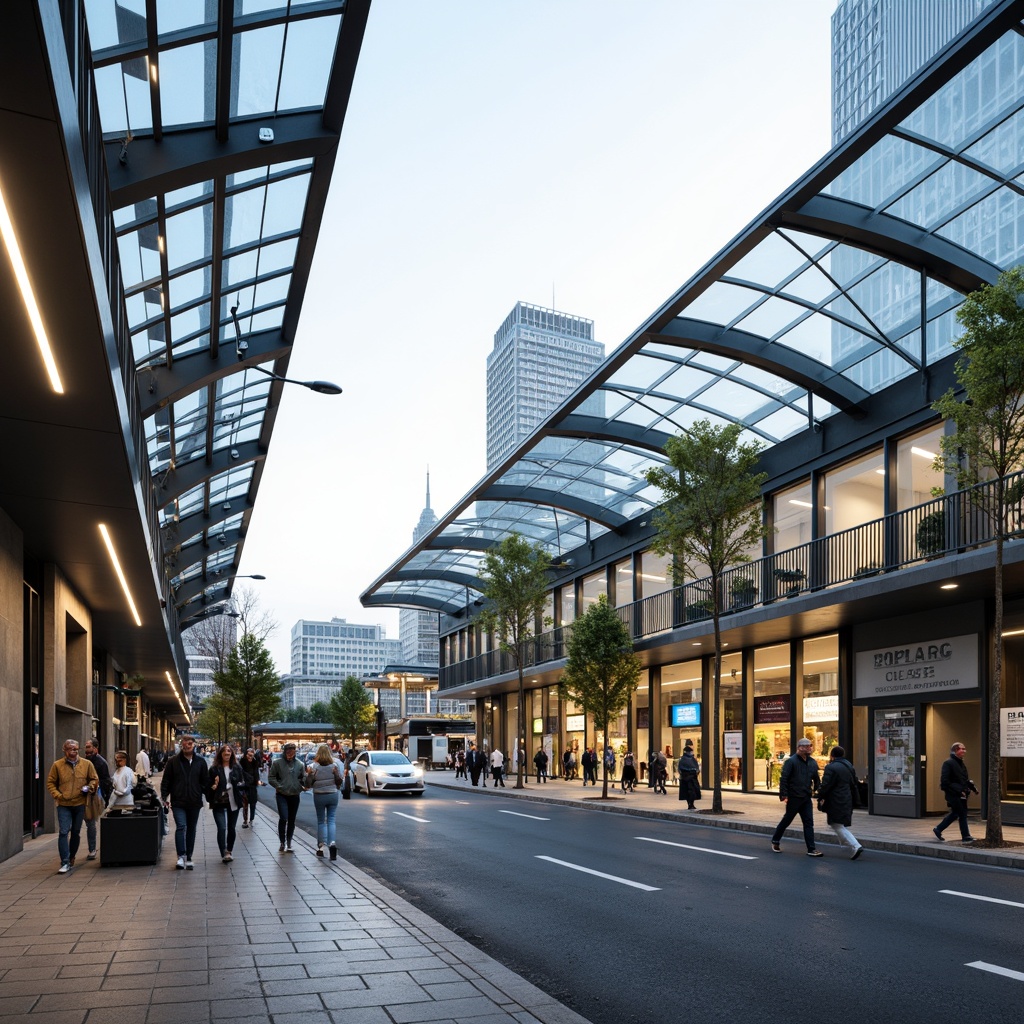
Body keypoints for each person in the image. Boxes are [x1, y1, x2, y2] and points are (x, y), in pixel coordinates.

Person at [46, 739, 99, 874]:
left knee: (75, 832)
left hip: (80, 803)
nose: (73, 751)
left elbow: (94, 778)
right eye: (70, 749)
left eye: (75, 749)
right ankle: (64, 861)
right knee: (64, 832)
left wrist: (89, 787)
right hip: (63, 804)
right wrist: (58, 795)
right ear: (64, 750)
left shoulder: (87, 764)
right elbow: (50, 782)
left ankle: (71, 857)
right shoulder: (57, 765)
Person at [161, 736, 210, 870]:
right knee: (181, 826)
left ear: (194, 745)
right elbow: (166, 780)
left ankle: (189, 856)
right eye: (184, 743)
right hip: (178, 801)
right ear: (181, 745)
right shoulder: (173, 762)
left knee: (192, 829)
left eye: (190, 743)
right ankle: (181, 856)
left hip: (194, 801)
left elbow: (205, 782)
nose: (187, 746)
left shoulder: (200, 762)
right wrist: (164, 796)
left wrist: (211, 794)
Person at [771, 737, 822, 856]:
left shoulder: (812, 762)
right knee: (787, 820)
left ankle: (811, 849)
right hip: (794, 797)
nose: (809, 748)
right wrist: (784, 794)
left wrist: (818, 792)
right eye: (806, 746)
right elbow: (784, 778)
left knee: (809, 822)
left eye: (810, 746)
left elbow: (816, 778)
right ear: (799, 748)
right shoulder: (791, 761)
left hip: (806, 797)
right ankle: (775, 840)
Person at [817, 745, 863, 859]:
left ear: (832, 755)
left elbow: (826, 784)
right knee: (838, 823)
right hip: (847, 797)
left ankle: (855, 845)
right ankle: (846, 844)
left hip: (835, 798)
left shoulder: (831, 767)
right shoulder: (849, 765)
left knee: (836, 823)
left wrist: (820, 795)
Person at [933, 741, 978, 843]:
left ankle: (938, 829)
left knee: (956, 813)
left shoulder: (961, 764)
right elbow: (945, 781)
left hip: (962, 793)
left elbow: (964, 779)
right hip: (953, 794)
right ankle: (966, 836)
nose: (964, 751)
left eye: (964, 749)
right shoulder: (948, 763)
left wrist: (973, 788)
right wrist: (958, 790)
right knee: (961, 813)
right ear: (955, 750)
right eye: (962, 749)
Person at [305, 743, 343, 860]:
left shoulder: (313, 766)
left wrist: (311, 775)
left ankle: (321, 847)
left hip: (319, 795)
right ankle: (332, 843)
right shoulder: (335, 765)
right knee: (331, 819)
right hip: (332, 794)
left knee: (321, 821)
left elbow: (308, 784)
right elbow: (340, 781)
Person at [208, 744, 245, 863]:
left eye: (229, 751)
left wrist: (239, 789)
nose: (227, 753)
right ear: (220, 754)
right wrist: (213, 788)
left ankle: (229, 850)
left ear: (231, 754)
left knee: (231, 827)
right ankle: (223, 851)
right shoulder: (214, 769)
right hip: (219, 802)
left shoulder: (237, 768)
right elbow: (208, 785)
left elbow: (243, 783)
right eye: (224, 751)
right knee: (222, 828)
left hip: (233, 801)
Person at [268, 742, 305, 853]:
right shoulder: (277, 763)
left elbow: (302, 778)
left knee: (292, 820)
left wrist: (303, 785)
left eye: (292, 751)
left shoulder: (300, 764)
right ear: (284, 752)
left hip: (294, 794)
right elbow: (271, 777)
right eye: (288, 751)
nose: (290, 753)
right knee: (283, 817)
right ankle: (282, 841)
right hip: (282, 794)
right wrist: (279, 787)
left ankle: (289, 842)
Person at [83, 739, 112, 861]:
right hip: (82, 795)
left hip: (92, 796)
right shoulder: (84, 761)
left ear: (95, 748)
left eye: (89, 747)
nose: (86, 749)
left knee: (90, 822)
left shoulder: (100, 762)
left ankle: (92, 849)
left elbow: (105, 781)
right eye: (85, 747)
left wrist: (103, 797)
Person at [239, 748, 263, 828]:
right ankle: (245, 821)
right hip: (245, 786)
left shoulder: (255, 762)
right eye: (249, 755)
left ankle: (252, 818)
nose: (250, 757)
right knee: (245, 804)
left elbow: (256, 773)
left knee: (253, 803)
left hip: (252, 785)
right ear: (246, 754)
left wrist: (258, 781)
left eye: (252, 756)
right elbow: (240, 773)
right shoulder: (241, 762)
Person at [678, 744, 701, 809]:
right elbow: (697, 768)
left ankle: (690, 804)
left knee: (687, 791)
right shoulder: (692, 759)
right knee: (692, 791)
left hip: (686, 777)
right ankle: (691, 804)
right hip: (692, 777)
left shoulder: (682, 759)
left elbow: (679, 769)